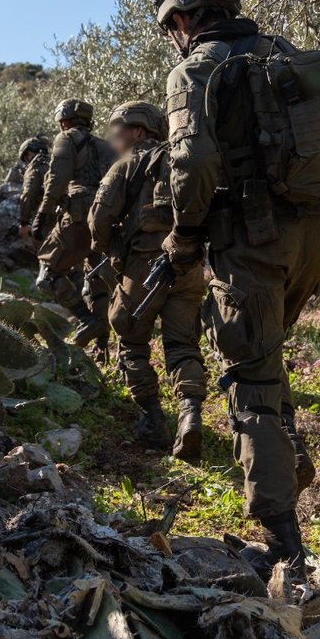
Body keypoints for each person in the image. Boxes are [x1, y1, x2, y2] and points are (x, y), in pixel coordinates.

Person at [157, 0, 320, 582]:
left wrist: (185, 238)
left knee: (251, 376)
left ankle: (283, 544)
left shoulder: (194, 68)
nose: (172, 37)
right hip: (317, 234)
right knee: (266, 356)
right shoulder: (287, 56)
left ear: (185, 18)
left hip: (252, 238)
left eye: (172, 26)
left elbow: (191, 165)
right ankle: (287, 458)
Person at [88, 101, 207, 459]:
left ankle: (152, 421)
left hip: (143, 267)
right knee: (183, 344)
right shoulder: (185, 163)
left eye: (118, 128)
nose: (112, 136)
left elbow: (98, 218)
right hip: (187, 266)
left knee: (130, 339)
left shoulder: (127, 165)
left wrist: (109, 250)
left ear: (138, 131)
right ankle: (190, 416)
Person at [32, 98, 114, 346]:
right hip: (105, 218)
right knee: (97, 276)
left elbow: (57, 178)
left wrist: (42, 213)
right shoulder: (106, 145)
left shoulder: (66, 139)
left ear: (64, 121)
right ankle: (101, 344)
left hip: (77, 216)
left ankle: (85, 320)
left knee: (48, 273)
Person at [16, 136, 50, 237]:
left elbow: (29, 193)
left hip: (46, 217)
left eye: (25, 158)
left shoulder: (35, 167)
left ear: (28, 153)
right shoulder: (54, 163)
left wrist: (24, 222)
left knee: (46, 250)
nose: (27, 162)